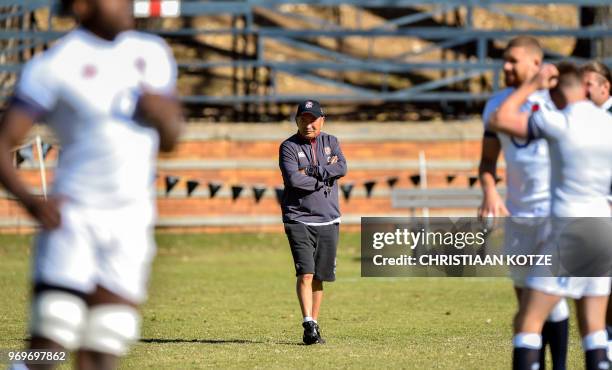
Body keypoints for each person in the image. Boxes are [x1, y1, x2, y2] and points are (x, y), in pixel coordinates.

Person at [0, 0, 182, 369]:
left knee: (104, 344)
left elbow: (172, 137)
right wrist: (32, 203)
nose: (128, 4)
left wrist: (162, 113)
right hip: (74, 220)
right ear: (82, 5)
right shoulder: (53, 66)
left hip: (131, 224)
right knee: (50, 341)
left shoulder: (153, 53)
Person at [489, 62, 612, 370]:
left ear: (556, 92)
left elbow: (499, 118)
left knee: (528, 322)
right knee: (595, 329)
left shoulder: (559, 121)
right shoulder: (607, 122)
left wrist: (532, 85)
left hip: (567, 230)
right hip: (602, 229)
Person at [478, 36, 569, 369]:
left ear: (536, 64)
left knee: (544, 297)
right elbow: (487, 163)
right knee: (530, 300)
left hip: (557, 215)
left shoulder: (559, 101)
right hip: (518, 217)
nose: (505, 66)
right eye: (504, 60)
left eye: (513, 60)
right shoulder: (496, 105)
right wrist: (490, 191)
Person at [278, 100, 347, 345]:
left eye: (313, 119)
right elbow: (294, 181)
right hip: (298, 218)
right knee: (305, 273)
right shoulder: (288, 147)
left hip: (329, 218)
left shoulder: (332, 142)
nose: (308, 124)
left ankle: (315, 324)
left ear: (322, 120)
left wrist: (313, 171)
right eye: (303, 119)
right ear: (297, 121)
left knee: (319, 277)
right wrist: (323, 178)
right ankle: (307, 323)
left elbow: (342, 167)